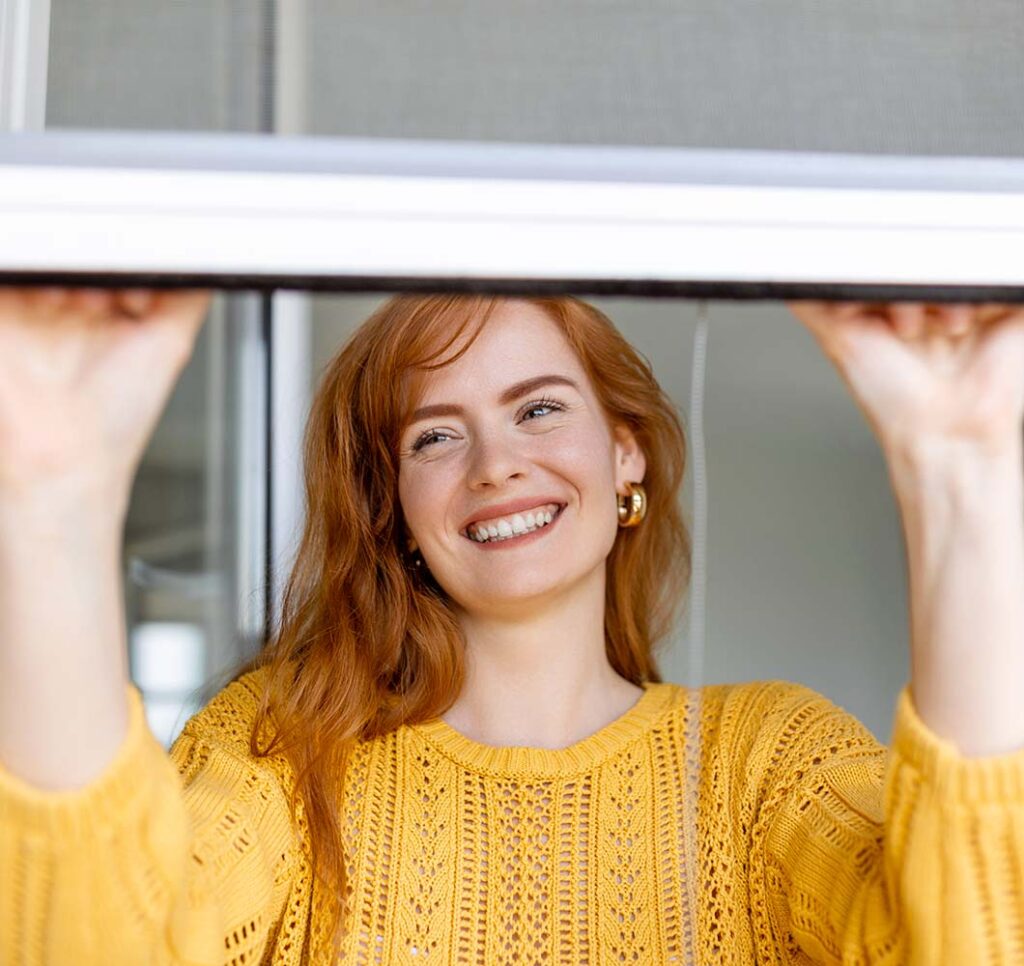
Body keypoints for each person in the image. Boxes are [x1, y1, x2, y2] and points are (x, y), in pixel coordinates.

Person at [1, 287, 1023, 964]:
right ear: (393, 505)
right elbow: (100, 937)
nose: (494, 463)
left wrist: (961, 467)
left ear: (626, 453)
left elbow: (968, 937)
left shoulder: (762, 763)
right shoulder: (281, 751)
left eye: (539, 410)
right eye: (436, 435)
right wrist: (51, 492)